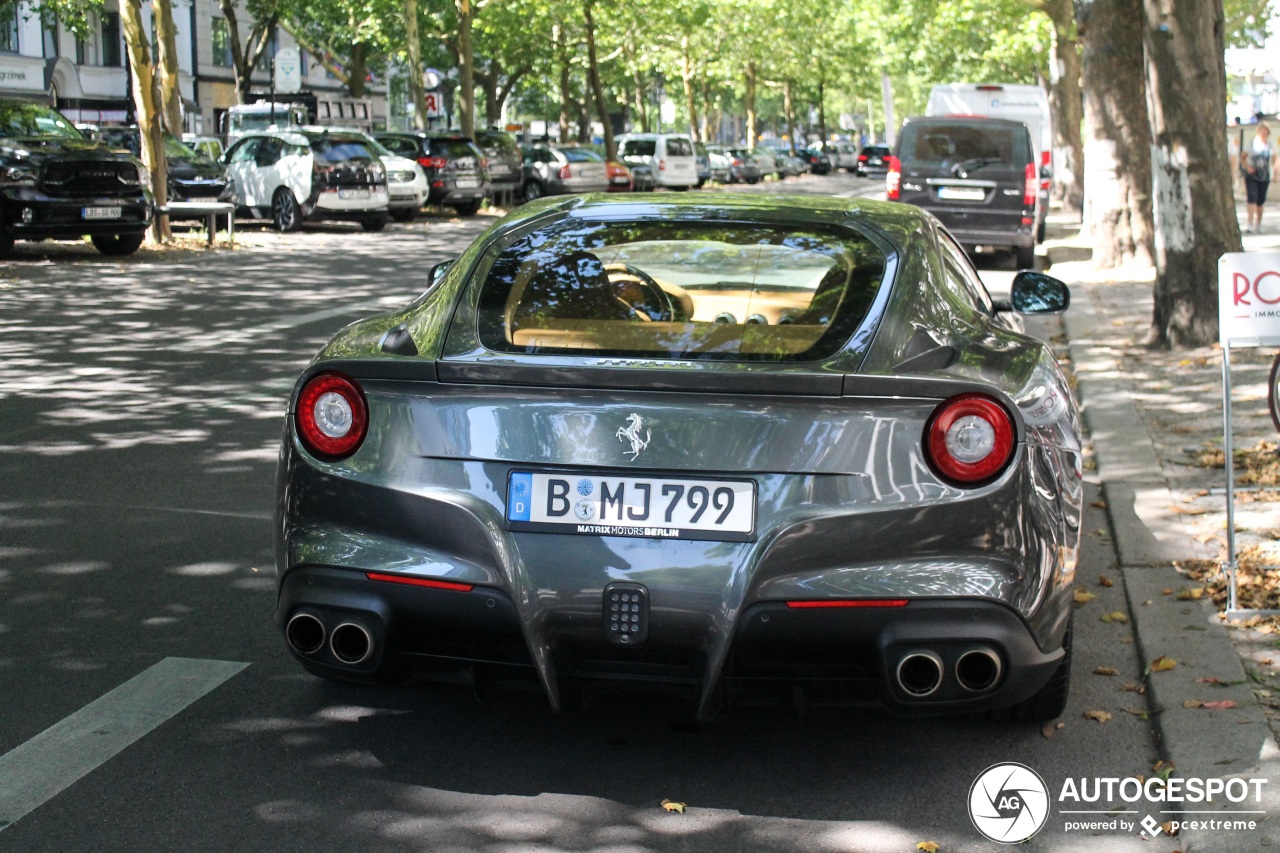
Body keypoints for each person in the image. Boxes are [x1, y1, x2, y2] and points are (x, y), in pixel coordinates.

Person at [1243, 122, 1276, 233]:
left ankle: (1258, 223)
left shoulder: (1270, 145)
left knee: (1260, 201)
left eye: (1266, 131)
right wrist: (1248, 167)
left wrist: (1276, 174)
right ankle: (1249, 223)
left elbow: (1275, 160)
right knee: (1251, 198)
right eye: (1262, 130)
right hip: (1252, 175)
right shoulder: (1251, 144)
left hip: (1264, 176)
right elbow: (1242, 158)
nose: (1264, 133)